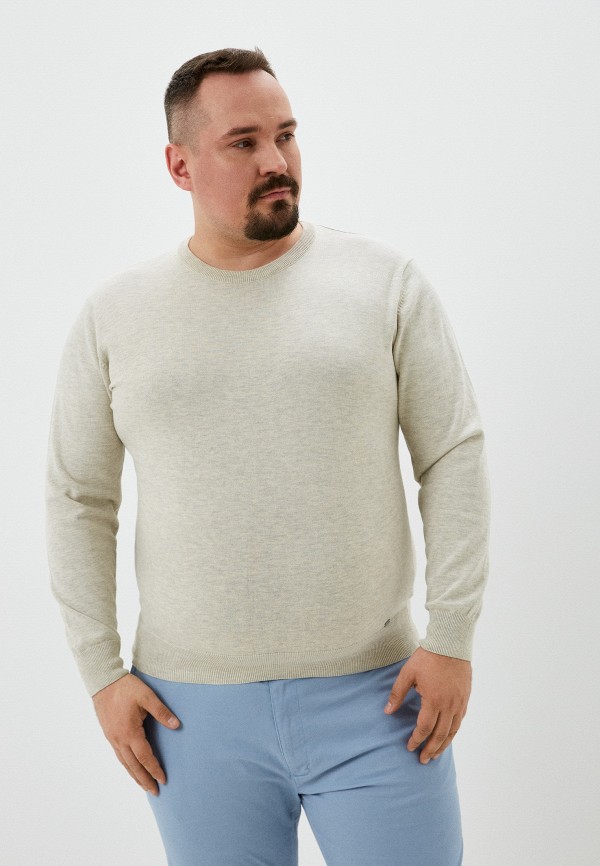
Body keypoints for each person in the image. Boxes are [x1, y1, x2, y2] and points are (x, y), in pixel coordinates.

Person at [45, 46, 491, 866]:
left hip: (382, 700)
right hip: (189, 715)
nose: (276, 161)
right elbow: (78, 499)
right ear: (180, 165)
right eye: (243, 143)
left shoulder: (384, 283)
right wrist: (102, 675)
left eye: (286, 135)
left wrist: (453, 635)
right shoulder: (116, 316)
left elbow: (452, 454)